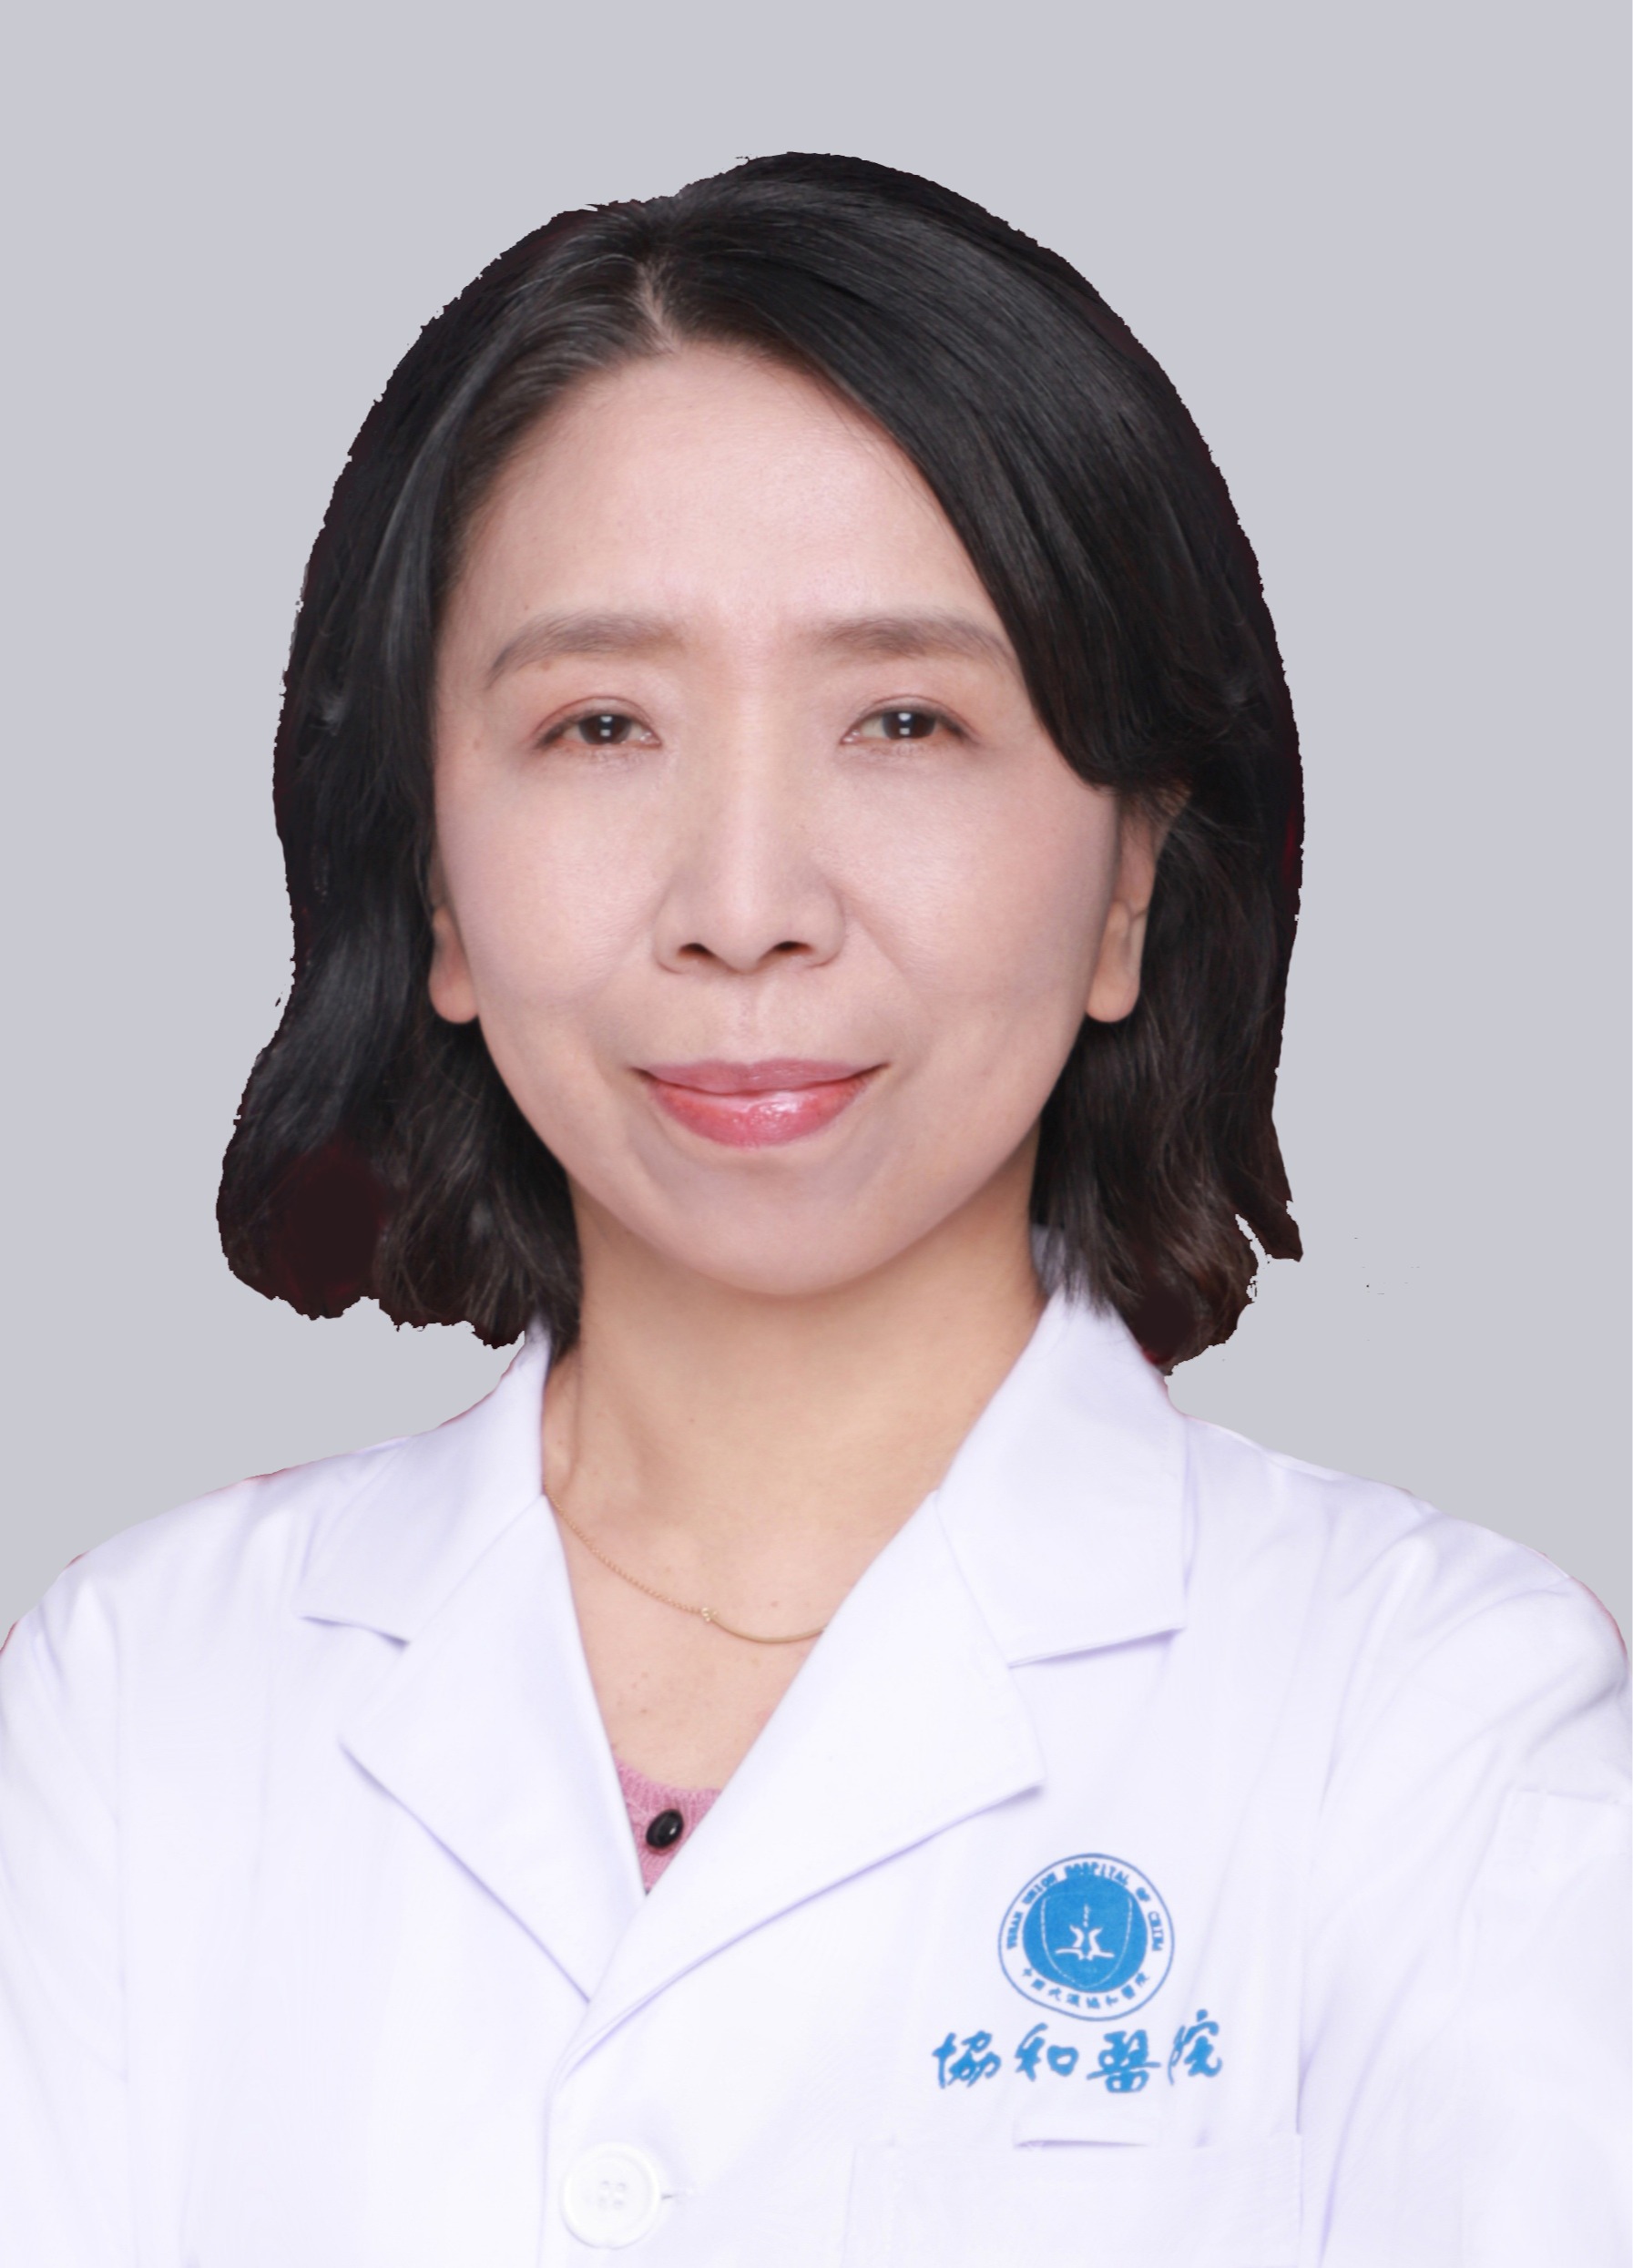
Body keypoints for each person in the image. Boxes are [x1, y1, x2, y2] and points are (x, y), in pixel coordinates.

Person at [0, 155, 1625, 2265]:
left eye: (905, 721)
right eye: (601, 725)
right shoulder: (141, 1698)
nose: (747, 904)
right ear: (433, 887)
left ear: (1132, 879)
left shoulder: (1429, 1724)